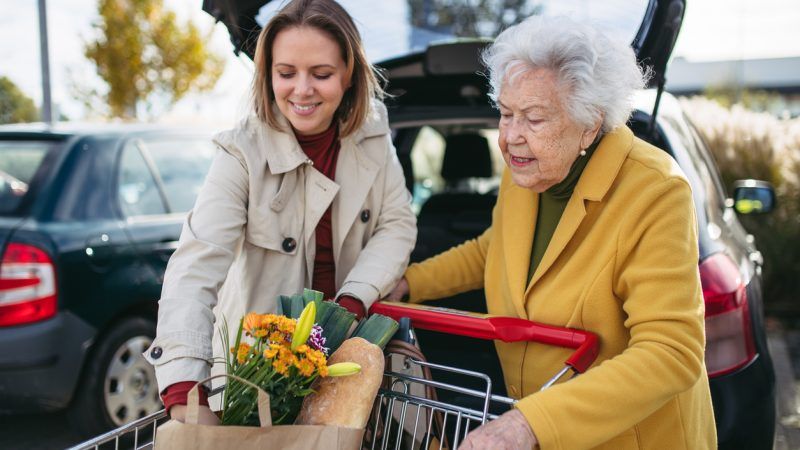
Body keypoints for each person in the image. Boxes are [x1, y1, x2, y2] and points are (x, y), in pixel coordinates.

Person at [387, 15, 717, 450]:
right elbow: (498, 249)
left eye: (534, 119)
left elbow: (671, 353)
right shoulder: (527, 171)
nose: (510, 138)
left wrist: (528, 424)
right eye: (504, 114)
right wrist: (410, 282)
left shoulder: (655, 191)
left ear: (590, 122)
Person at [145, 0, 416, 425]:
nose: (302, 90)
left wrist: (351, 302)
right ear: (267, 75)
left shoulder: (373, 133)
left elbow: (397, 223)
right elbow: (196, 267)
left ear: (348, 75)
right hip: (257, 374)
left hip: (348, 363)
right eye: (286, 73)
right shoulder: (240, 152)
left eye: (321, 74)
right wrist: (184, 389)